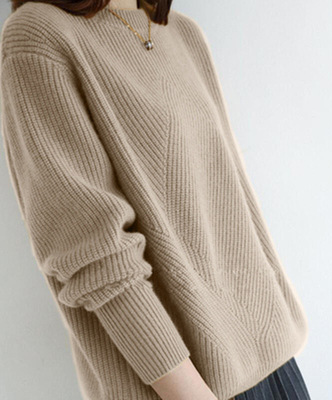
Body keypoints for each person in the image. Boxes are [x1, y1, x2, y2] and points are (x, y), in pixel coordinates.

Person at [0, 0, 311, 399]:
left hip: (277, 365)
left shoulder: (183, 33)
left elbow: (234, 204)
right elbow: (94, 252)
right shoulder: (40, 35)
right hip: (187, 387)